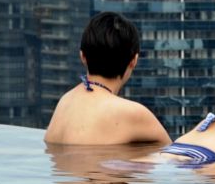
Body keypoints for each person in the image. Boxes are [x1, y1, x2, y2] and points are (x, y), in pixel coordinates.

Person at [43, 11, 171, 146]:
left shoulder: (66, 101)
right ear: (134, 61)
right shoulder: (132, 113)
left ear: (82, 56)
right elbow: (174, 158)